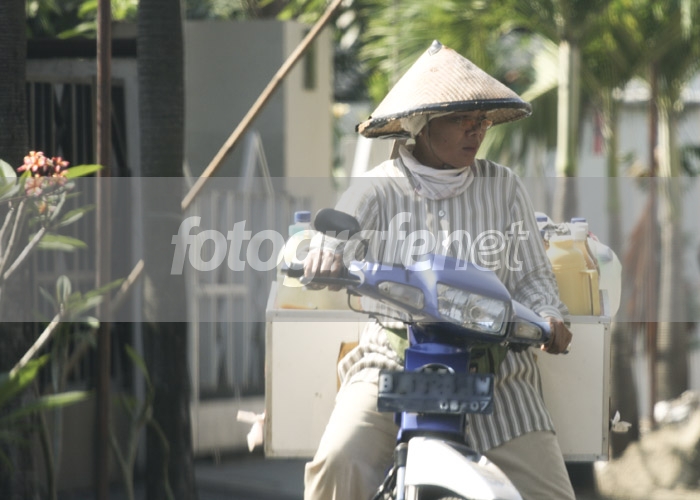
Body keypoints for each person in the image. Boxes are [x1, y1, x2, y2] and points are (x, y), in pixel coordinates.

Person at [302, 40, 575, 500]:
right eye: (461, 119)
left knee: (551, 496)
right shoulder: (375, 189)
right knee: (338, 462)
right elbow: (335, 237)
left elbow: (531, 275)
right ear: (421, 125)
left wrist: (550, 314)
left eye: (481, 120)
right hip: (393, 362)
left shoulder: (504, 186)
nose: (476, 131)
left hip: (496, 371)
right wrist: (325, 256)